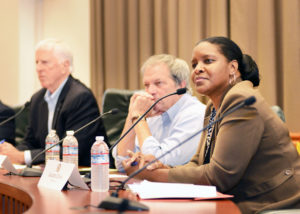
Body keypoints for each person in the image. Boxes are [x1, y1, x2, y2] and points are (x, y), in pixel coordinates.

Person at [123, 37, 300, 213]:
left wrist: (148, 173)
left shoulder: (240, 99)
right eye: (194, 65)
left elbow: (219, 176)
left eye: (208, 61)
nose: (198, 69)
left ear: (233, 68)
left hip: (275, 202)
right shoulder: (213, 106)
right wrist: (162, 167)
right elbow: (198, 163)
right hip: (245, 199)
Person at [0, 39, 107, 166]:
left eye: (44, 62)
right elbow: (30, 142)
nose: (38, 68)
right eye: (37, 62)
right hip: (48, 172)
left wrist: (23, 156)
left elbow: (71, 150)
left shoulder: (80, 97)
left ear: (65, 66)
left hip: (86, 174)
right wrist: (10, 154)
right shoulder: (37, 99)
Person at [113, 54, 206, 172]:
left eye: (158, 83)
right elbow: (122, 164)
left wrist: (138, 118)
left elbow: (156, 162)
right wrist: (132, 114)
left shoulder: (196, 114)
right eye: (146, 85)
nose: (150, 91)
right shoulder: (153, 114)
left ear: (181, 85)